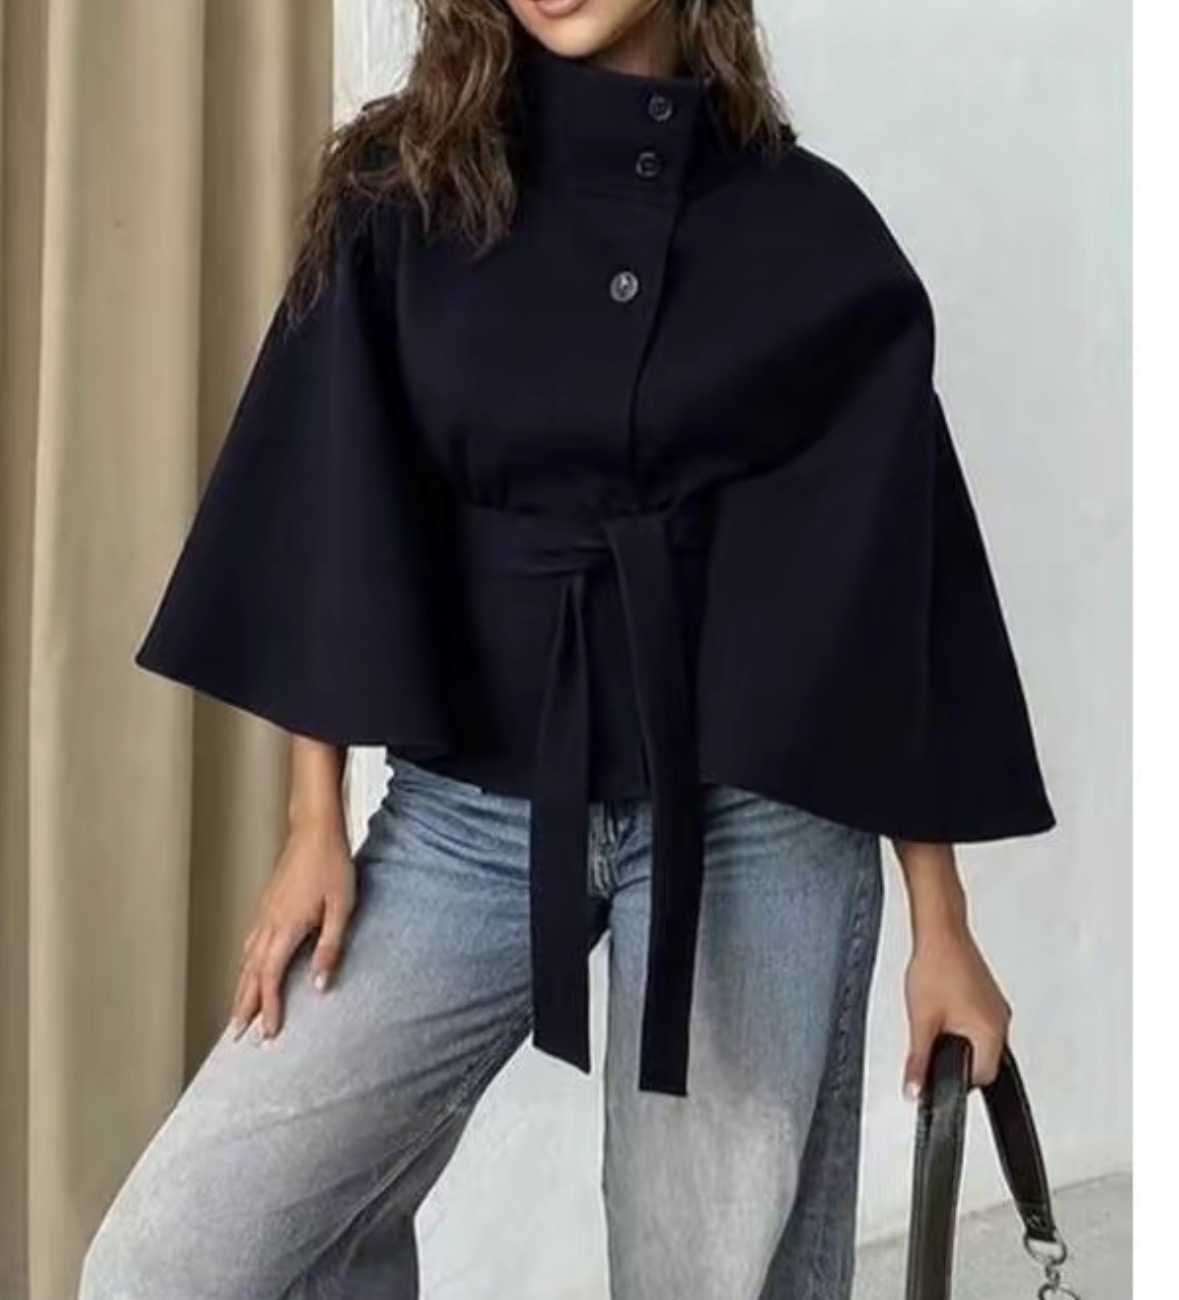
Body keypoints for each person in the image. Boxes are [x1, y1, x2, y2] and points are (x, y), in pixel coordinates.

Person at [79, 0, 1055, 1296]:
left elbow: (891, 587)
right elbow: (326, 494)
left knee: (706, 1277)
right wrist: (313, 819)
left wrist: (945, 926)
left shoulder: (814, 236)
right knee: (170, 1259)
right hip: (472, 815)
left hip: (752, 817)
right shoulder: (403, 194)